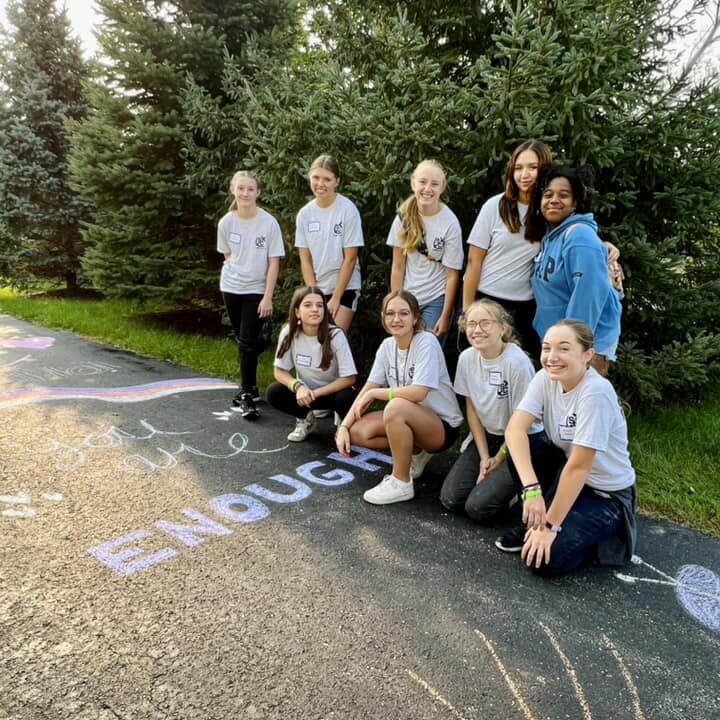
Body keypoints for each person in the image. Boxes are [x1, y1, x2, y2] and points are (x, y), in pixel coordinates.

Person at [504, 320, 637, 574]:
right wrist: (531, 491)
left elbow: (579, 467)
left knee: (543, 560)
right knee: (524, 447)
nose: (552, 357)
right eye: (546, 348)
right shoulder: (545, 377)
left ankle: (603, 536)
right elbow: (514, 429)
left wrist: (550, 527)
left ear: (587, 355)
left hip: (605, 494)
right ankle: (534, 518)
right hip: (567, 475)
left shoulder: (596, 392)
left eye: (563, 349)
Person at [335, 290, 463, 505]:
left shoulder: (427, 342)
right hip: (410, 416)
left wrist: (378, 394)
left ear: (415, 318)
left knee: (395, 407)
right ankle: (415, 451)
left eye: (404, 313)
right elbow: (369, 386)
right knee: (358, 432)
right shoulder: (387, 346)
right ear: (384, 319)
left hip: (441, 426)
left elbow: (418, 392)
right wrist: (344, 427)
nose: (396, 319)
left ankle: (401, 482)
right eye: (390, 313)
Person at [439, 299, 548, 524]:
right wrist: (483, 457)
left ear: (503, 328)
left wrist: (498, 459)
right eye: (471, 324)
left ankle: (519, 486)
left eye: (485, 323)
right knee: (451, 499)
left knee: (478, 508)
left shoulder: (516, 363)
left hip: (521, 439)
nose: (477, 330)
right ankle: (500, 483)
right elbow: (472, 409)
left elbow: (522, 424)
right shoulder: (466, 358)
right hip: (488, 436)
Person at [462, 140, 553, 359]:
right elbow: (474, 262)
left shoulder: (549, 209)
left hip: (525, 307)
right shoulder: (495, 206)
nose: (525, 174)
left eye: (533, 167)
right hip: (487, 300)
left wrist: (607, 247)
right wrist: (467, 312)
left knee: (524, 369)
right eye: (519, 168)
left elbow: (575, 232)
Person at [532, 164, 622, 375]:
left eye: (563, 195)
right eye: (548, 194)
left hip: (583, 347)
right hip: (560, 345)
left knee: (585, 405)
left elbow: (588, 296)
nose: (554, 200)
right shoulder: (551, 237)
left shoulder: (580, 237)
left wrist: (571, 348)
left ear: (575, 203)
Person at [217, 170, 284, 420]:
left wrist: (267, 297)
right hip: (231, 287)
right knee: (245, 341)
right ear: (233, 190)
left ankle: (246, 394)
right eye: (241, 188)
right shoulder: (226, 222)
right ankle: (253, 381)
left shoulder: (268, 223)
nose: (245, 193)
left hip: (256, 290)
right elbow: (228, 255)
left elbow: (274, 262)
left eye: (250, 189)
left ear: (258, 192)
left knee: (245, 344)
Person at [266, 287, 358, 442]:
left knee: (347, 397)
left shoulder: (335, 334)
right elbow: (279, 371)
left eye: (320, 305)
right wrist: (298, 386)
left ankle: (343, 425)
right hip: (305, 394)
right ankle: (306, 419)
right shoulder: (289, 332)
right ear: (297, 312)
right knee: (274, 392)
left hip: (332, 393)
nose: (315, 309)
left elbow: (349, 379)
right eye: (308, 305)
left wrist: (316, 393)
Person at [388, 159, 463, 345]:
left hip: (435, 299)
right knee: (403, 349)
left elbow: (452, 275)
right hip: (408, 297)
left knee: (427, 349)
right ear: (413, 183)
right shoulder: (402, 217)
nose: (428, 188)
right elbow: (398, 266)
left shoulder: (450, 223)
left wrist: (445, 315)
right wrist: (396, 303)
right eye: (422, 182)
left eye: (434, 184)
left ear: (442, 188)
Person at [295, 154, 364, 332]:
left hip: (345, 288)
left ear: (337, 181)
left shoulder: (348, 210)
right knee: (313, 342)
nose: (320, 183)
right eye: (316, 177)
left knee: (332, 341)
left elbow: (350, 259)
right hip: (318, 287)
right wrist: (313, 296)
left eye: (327, 179)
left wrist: (336, 298)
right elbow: (305, 259)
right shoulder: (305, 214)